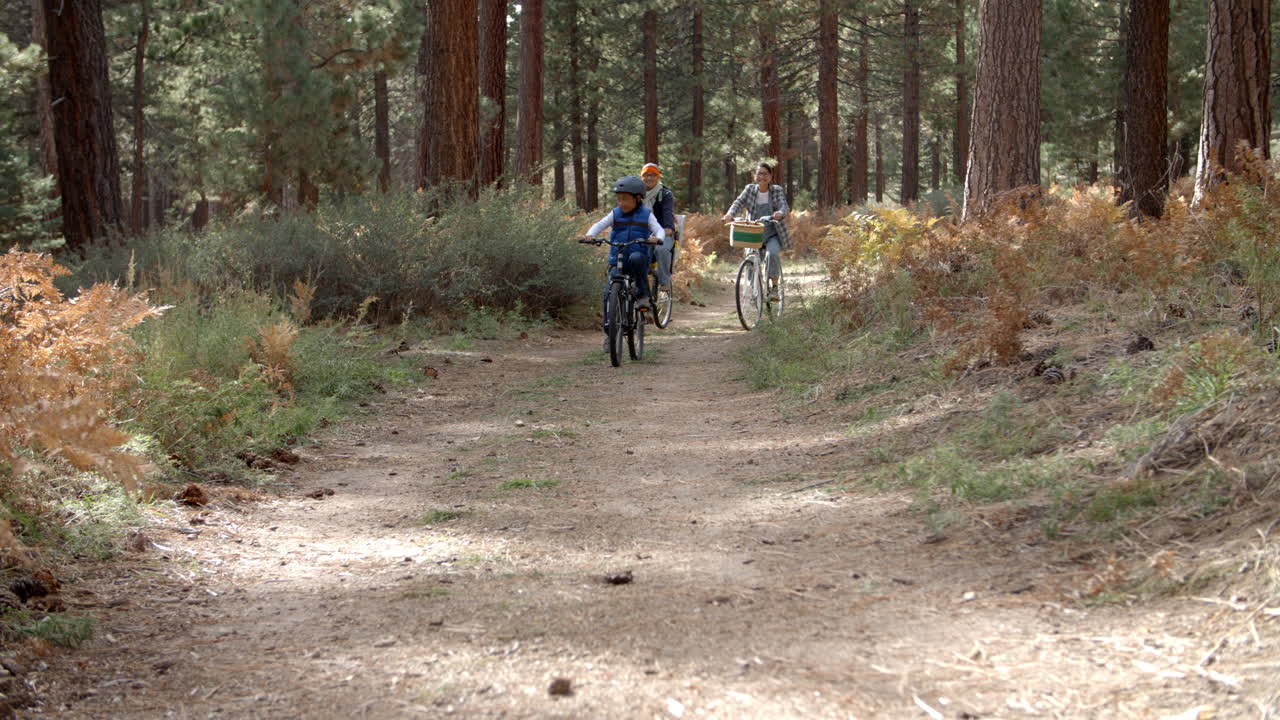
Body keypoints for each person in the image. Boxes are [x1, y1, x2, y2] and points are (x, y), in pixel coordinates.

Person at [583, 176, 666, 348]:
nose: (621, 203)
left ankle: (642, 295)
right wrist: (591, 234)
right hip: (617, 258)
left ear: (637, 198)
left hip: (638, 255)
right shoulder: (615, 213)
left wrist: (657, 238)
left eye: (625, 199)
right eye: (619, 199)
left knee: (636, 259)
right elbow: (600, 224)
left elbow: (658, 229)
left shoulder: (646, 215)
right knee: (608, 294)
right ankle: (610, 334)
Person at [721, 163, 791, 301]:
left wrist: (780, 213)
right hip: (753, 232)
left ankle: (774, 288)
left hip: (772, 233)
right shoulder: (749, 189)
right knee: (750, 260)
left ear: (770, 177)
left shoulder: (776, 190)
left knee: (772, 254)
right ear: (755, 176)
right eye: (759, 173)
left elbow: (784, 205)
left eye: (765, 174)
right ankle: (755, 290)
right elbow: (738, 202)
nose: (762, 177)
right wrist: (730, 214)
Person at [640, 163, 676, 291]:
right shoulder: (636, 194)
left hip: (662, 232)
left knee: (661, 249)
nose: (649, 178)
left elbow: (667, 214)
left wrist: (666, 230)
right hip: (642, 232)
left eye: (653, 175)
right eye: (646, 175)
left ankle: (664, 282)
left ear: (658, 177)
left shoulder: (665, 194)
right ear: (641, 177)